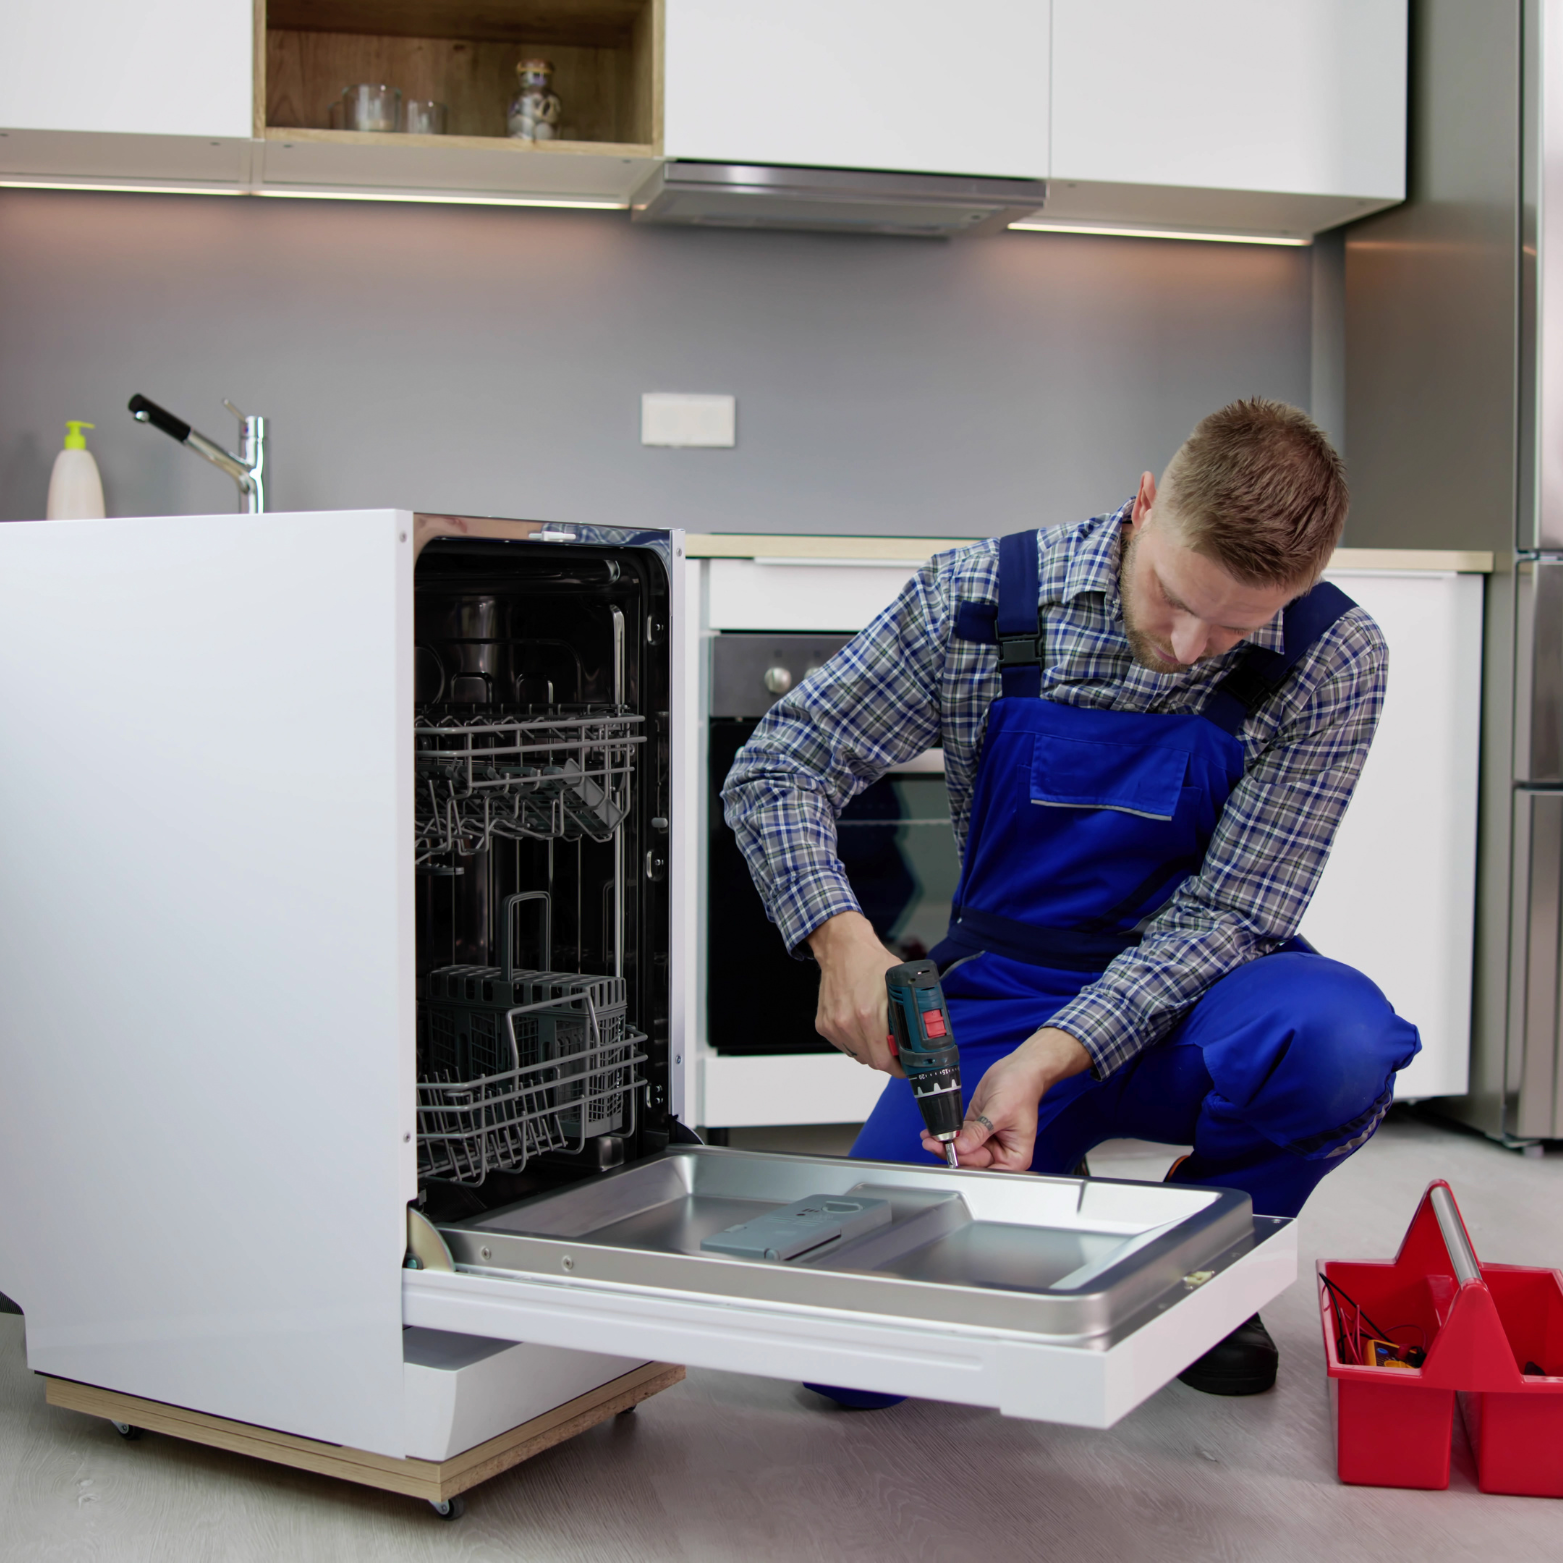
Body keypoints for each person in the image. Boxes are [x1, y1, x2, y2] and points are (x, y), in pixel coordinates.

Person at [721, 398, 1422, 1401]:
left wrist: (1053, 1061)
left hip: (1202, 996)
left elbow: (1231, 915)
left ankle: (1201, 1250)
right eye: (1176, 597)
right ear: (1143, 506)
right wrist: (842, 940)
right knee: (851, 1374)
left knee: (1338, 1047)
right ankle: (1050, 1201)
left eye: (1236, 624)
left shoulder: (1334, 658)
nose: (1189, 644)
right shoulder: (975, 597)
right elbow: (780, 764)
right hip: (1005, 991)